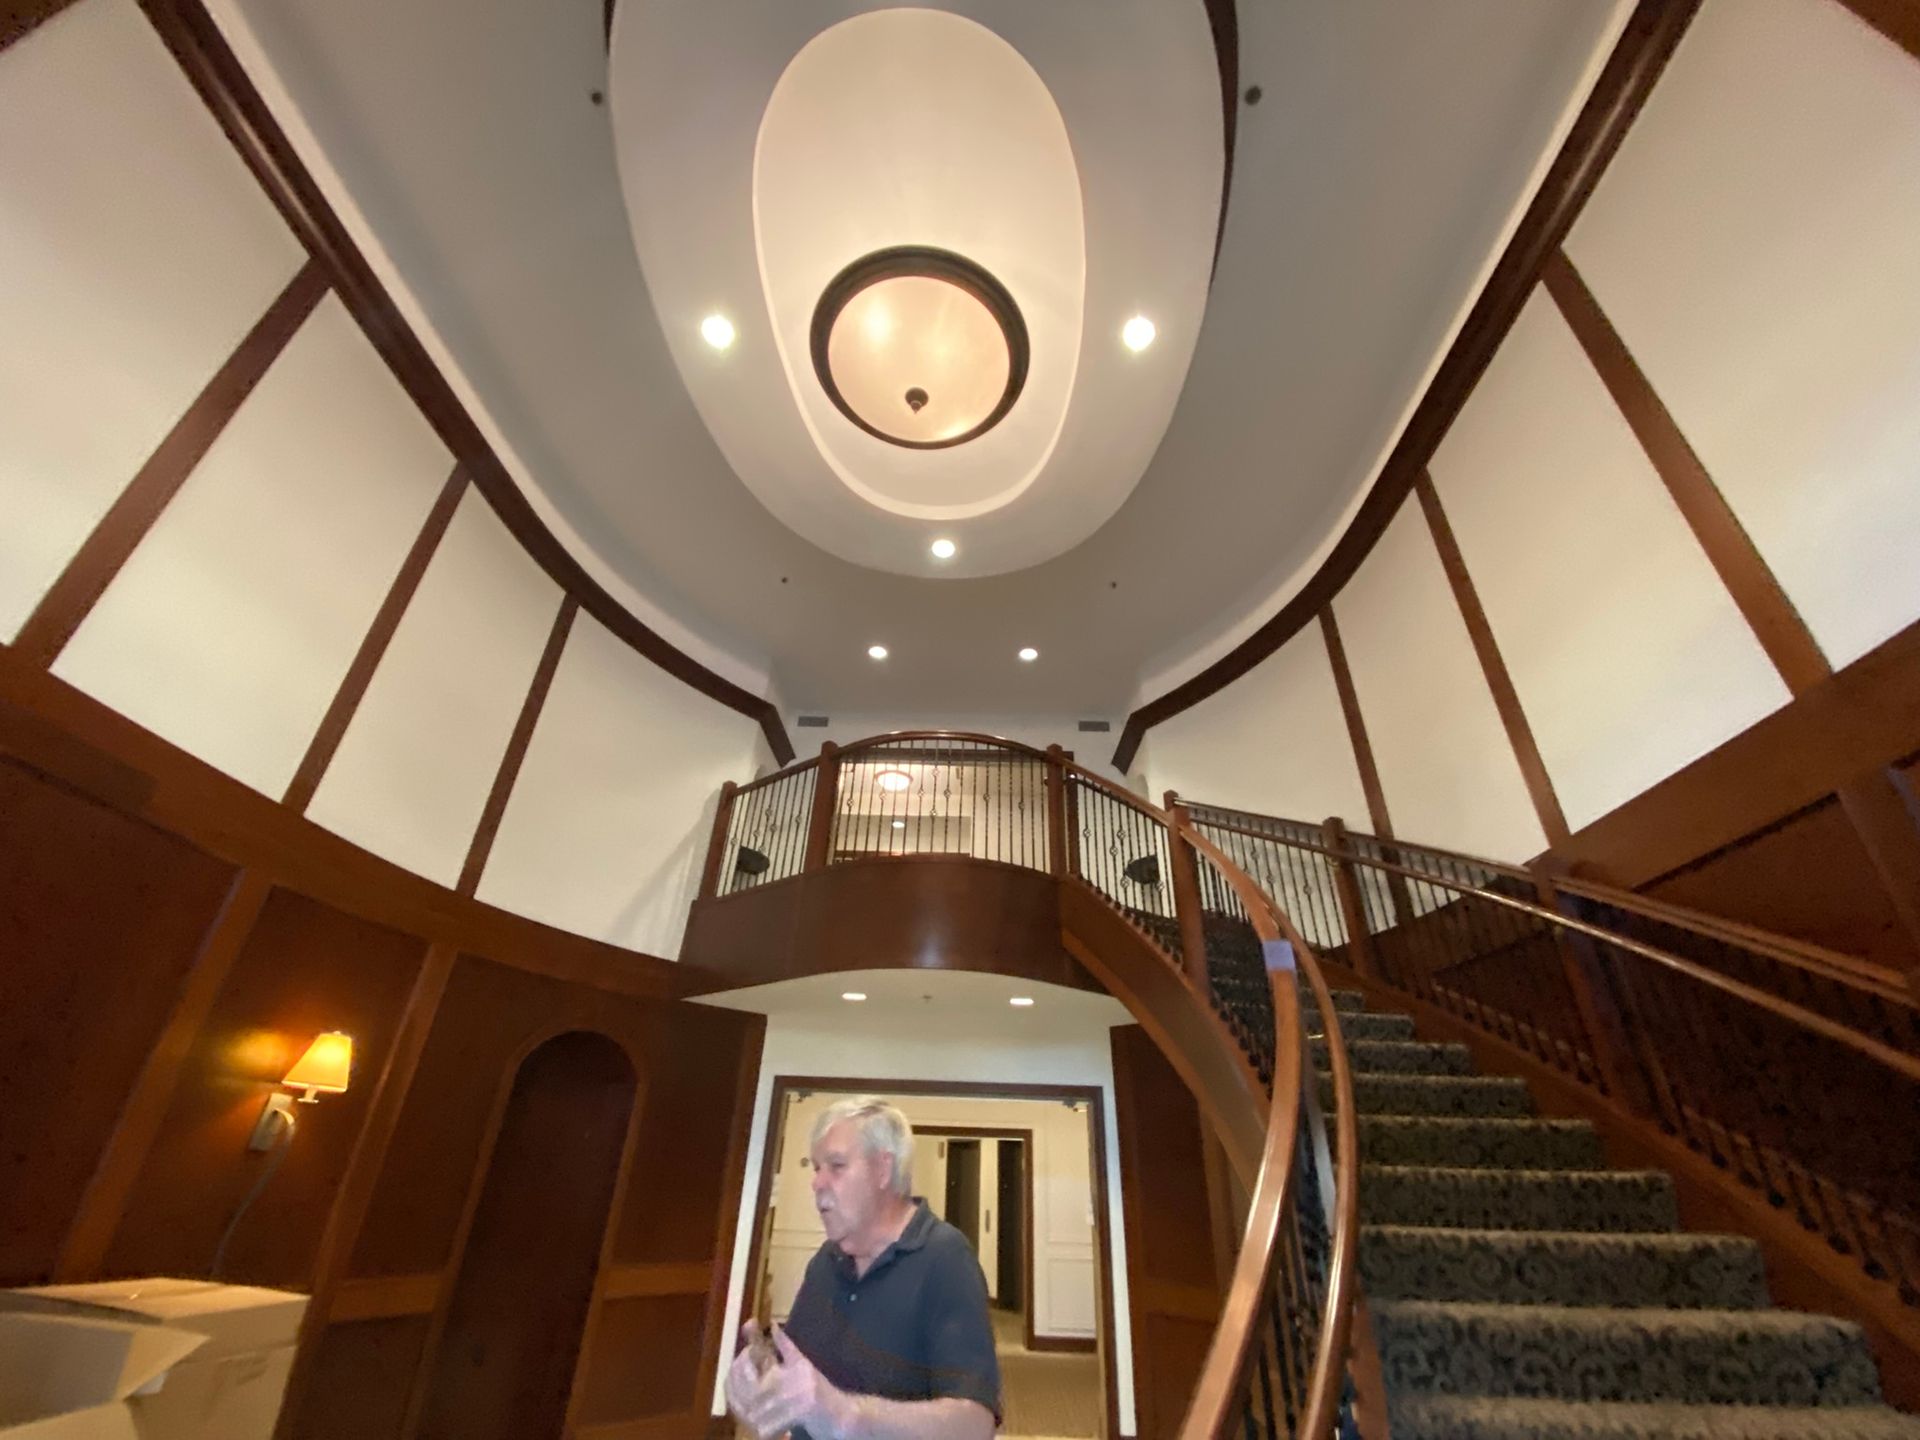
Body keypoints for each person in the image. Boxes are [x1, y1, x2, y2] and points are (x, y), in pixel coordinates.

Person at [727, 1097, 1000, 1440]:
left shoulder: (946, 1258)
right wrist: (763, 1382)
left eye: (837, 1166)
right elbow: (804, 1384)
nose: (817, 1183)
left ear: (883, 1169)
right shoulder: (826, 1261)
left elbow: (975, 1425)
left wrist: (849, 1415)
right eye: (816, 1168)